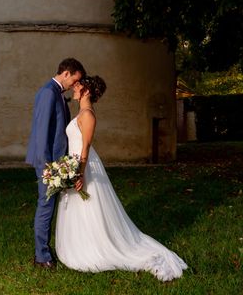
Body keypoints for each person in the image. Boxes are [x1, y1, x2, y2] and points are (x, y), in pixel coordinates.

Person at [55, 75, 188, 282]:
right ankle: (82, 243)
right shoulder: (81, 112)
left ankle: (96, 248)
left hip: (83, 165)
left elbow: (86, 147)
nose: (74, 88)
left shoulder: (88, 114)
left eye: (78, 86)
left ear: (86, 91)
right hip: (74, 163)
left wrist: (79, 172)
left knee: (89, 208)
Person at [26, 58, 85, 269]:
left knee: (48, 206)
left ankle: (46, 251)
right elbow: (41, 133)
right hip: (47, 163)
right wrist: (46, 166)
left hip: (54, 162)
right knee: (45, 206)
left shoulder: (56, 93)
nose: (73, 85)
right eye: (74, 80)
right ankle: (42, 257)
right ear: (66, 73)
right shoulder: (48, 93)